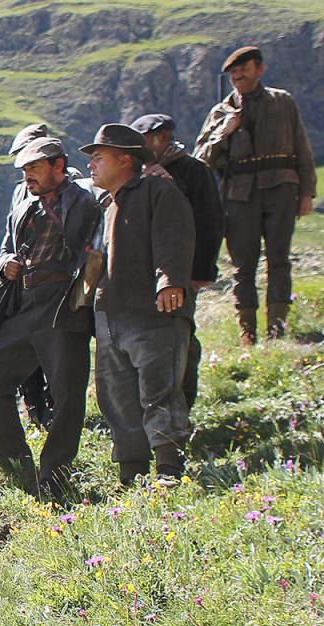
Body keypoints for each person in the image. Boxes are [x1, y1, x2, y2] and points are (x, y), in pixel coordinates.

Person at [0, 136, 101, 499]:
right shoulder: (25, 204)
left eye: (35, 167)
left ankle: (55, 474)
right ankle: (17, 468)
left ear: (59, 166)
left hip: (63, 302)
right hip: (25, 301)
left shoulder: (84, 199)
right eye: (25, 169)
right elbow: (5, 248)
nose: (28, 175)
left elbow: (95, 250)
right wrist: (4, 265)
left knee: (66, 392)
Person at [83, 124, 196, 486]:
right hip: (110, 313)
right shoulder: (104, 204)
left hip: (154, 312)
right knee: (116, 397)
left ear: (125, 160)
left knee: (160, 390)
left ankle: (169, 468)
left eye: (98, 158)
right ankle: (131, 473)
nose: (91, 166)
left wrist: (170, 281)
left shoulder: (158, 191)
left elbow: (174, 237)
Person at [194, 45, 316, 345]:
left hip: (281, 189)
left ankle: (277, 327)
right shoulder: (221, 112)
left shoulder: (282, 102)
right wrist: (226, 130)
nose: (238, 76)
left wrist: (307, 193)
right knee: (242, 265)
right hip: (239, 195)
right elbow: (200, 157)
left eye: (244, 70)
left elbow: (302, 148)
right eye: (234, 73)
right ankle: (247, 330)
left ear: (259, 70)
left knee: (279, 260)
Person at [132, 113, 225, 407]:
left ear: (161, 139)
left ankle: (181, 404)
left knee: (180, 335)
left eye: (143, 141)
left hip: (180, 272)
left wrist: (201, 271)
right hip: (141, 272)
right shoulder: (134, 173)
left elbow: (209, 221)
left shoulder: (193, 170)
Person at [8, 124, 56, 428]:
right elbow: (8, 239)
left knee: (56, 357)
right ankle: (37, 413)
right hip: (23, 287)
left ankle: (60, 414)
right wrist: (5, 265)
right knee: (25, 358)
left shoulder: (71, 184)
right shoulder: (18, 192)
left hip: (57, 291)